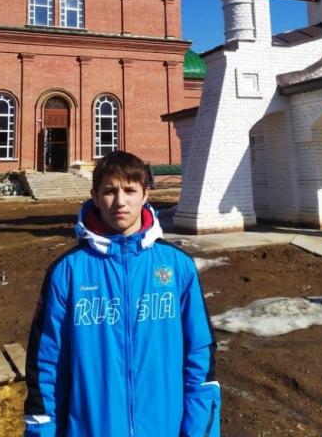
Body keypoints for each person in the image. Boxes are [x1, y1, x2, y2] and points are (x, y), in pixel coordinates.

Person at [24, 150, 221, 437]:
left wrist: (200, 431)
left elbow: (199, 356)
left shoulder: (178, 266)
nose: (120, 201)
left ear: (145, 194)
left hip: (164, 427)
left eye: (129, 190)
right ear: (94, 196)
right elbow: (45, 364)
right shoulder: (68, 272)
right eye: (109, 191)